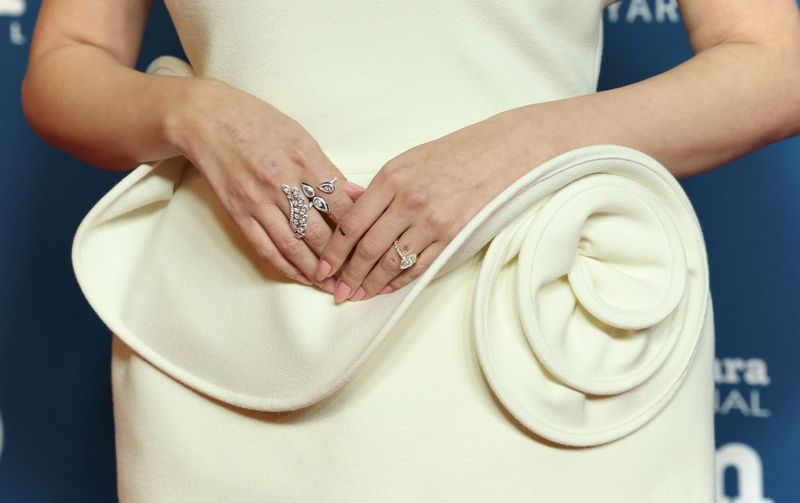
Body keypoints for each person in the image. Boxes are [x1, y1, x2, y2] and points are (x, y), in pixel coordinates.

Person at [21, 0, 800, 501]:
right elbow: (68, 58)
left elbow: (773, 63)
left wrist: (519, 148)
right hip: (237, 336)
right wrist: (194, 113)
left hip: (541, 338)